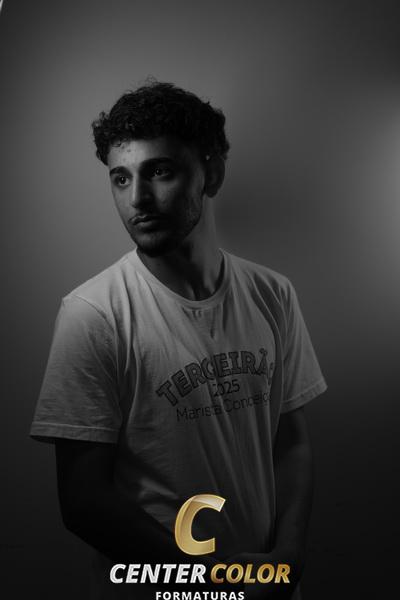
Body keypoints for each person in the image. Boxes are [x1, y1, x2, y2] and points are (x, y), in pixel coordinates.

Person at [30, 81, 327, 600]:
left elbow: (291, 441)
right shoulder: (92, 314)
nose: (137, 200)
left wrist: (287, 559)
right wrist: (214, 582)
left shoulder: (272, 293)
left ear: (212, 173)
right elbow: (83, 501)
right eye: (121, 178)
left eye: (160, 171)